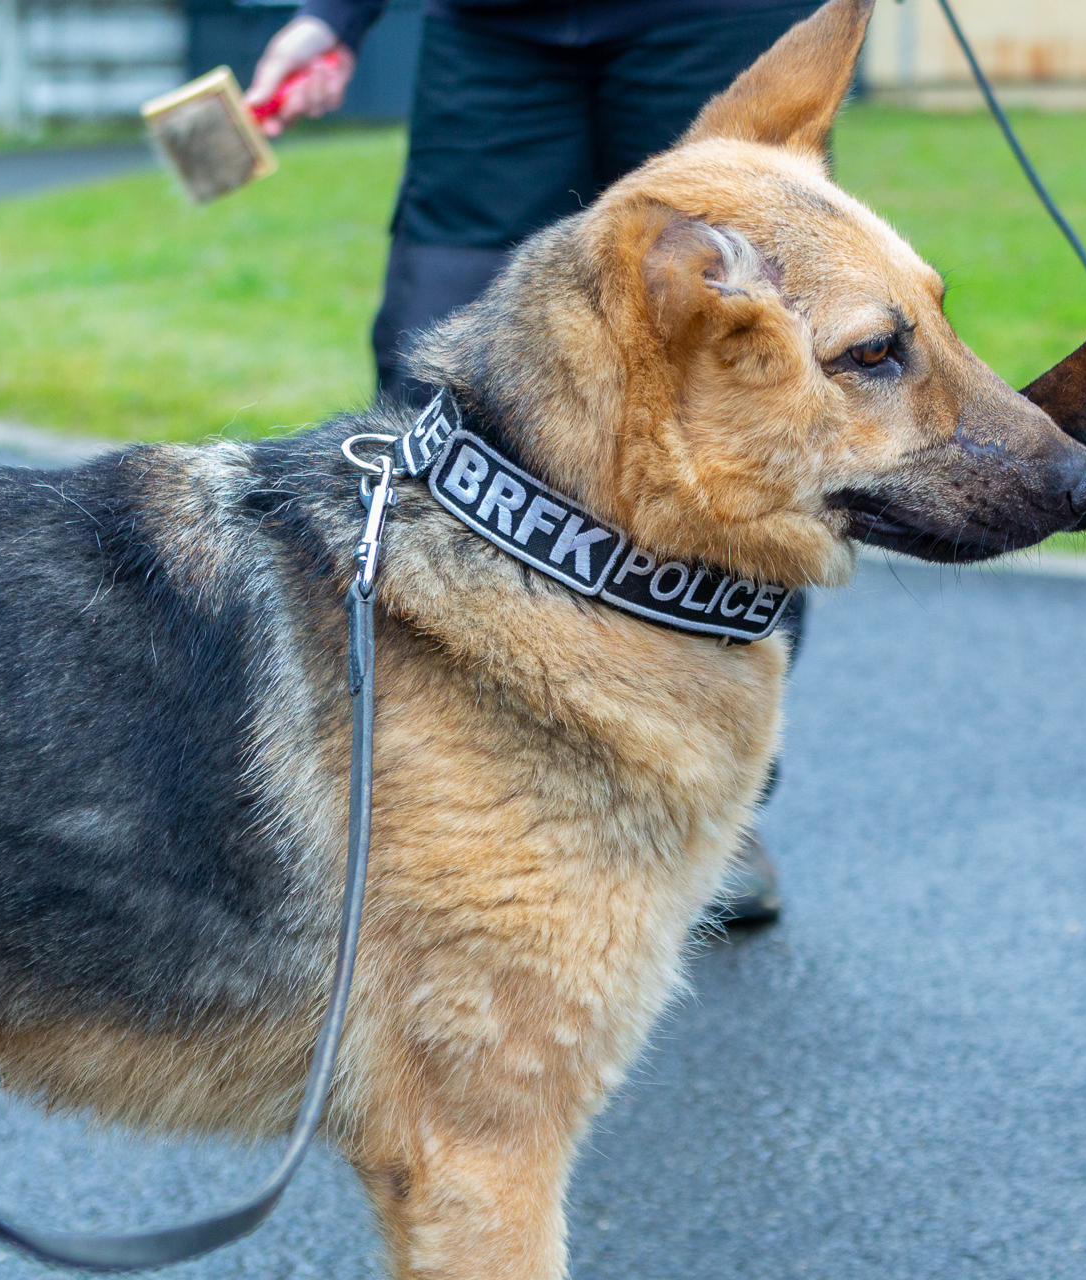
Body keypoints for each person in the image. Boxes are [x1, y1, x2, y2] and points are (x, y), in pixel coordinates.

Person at [249, 0, 823, 925]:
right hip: (495, 28)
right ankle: (429, 759)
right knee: (427, 376)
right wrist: (334, 21)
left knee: (742, 384)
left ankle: (716, 798)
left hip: (710, 21)